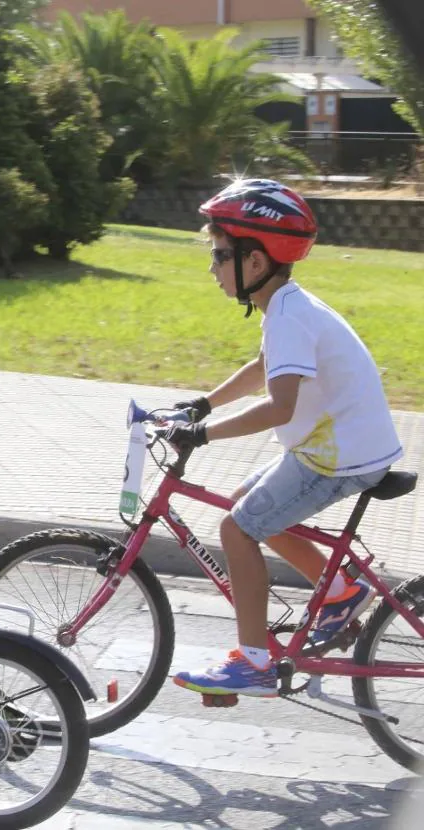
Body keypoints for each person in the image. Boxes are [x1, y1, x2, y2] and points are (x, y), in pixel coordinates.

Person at [163, 179, 403, 699]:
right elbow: (264, 368)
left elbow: (280, 405)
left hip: (337, 457)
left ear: (255, 262)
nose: (212, 266)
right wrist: (203, 404)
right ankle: (340, 592)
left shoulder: (290, 315)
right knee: (249, 505)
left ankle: (253, 662)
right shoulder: (288, 307)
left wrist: (202, 434)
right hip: (341, 446)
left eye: (220, 254)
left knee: (237, 528)